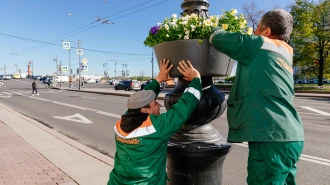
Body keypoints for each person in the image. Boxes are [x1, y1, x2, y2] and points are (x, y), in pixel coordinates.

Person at [209, 9, 304, 184]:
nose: (254, 32)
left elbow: (218, 38)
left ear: (267, 31)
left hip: (269, 137)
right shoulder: (287, 53)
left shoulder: (260, 44)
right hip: (292, 136)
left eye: (257, 27)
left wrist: (213, 27)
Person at [108, 59, 202, 185]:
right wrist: (196, 79)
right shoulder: (156, 127)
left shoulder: (123, 122)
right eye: (155, 103)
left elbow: (141, 98)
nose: (159, 105)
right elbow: (184, 107)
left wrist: (158, 79)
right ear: (144, 110)